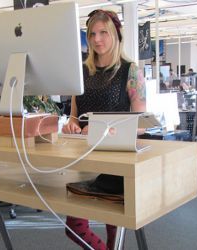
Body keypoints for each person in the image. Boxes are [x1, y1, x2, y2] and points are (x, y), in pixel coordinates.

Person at [62, 9, 146, 250]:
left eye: (103, 33)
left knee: (114, 227)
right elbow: (75, 116)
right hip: (84, 158)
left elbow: (140, 124)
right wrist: (73, 124)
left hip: (115, 161)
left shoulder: (131, 71)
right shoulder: (82, 72)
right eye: (91, 34)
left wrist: (101, 131)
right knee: (74, 227)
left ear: (116, 35)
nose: (97, 39)